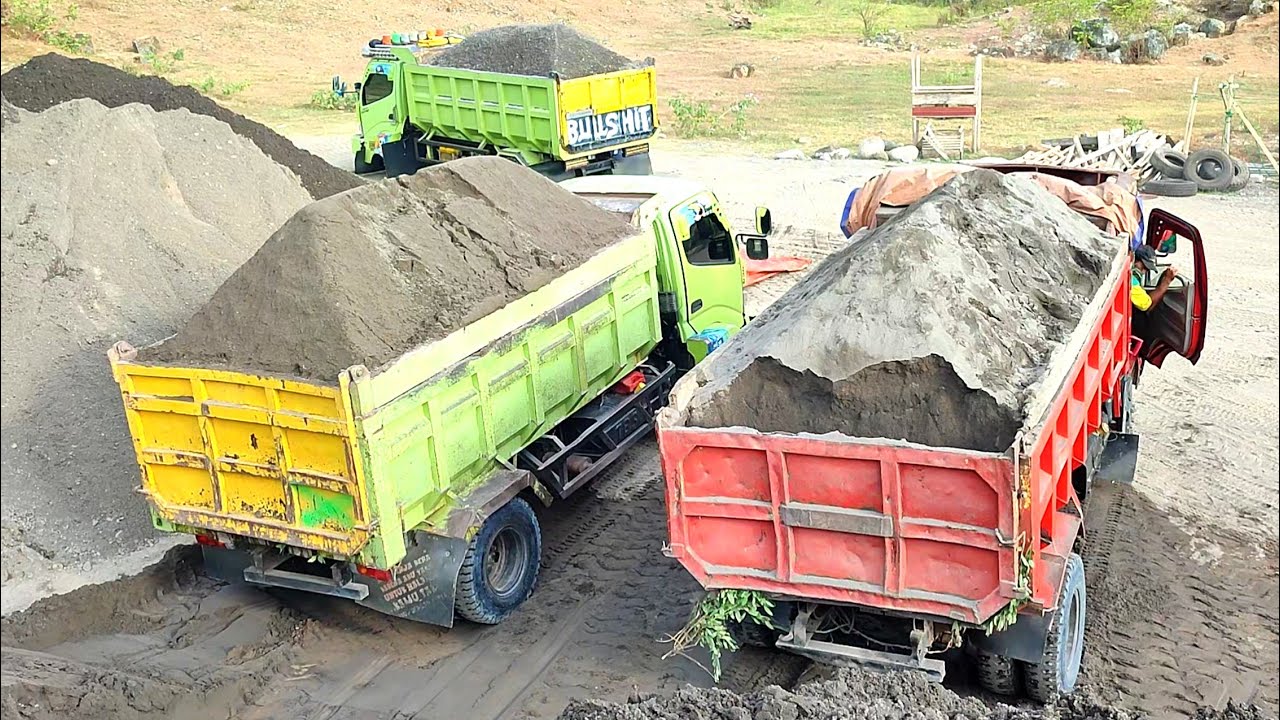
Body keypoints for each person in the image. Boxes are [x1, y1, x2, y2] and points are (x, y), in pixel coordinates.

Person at [1131, 244, 1178, 312]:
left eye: (1147, 270)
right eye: (1144, 267)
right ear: (1134, 260)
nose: (1143, 272)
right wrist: (1166, 281)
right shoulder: (1132, 282)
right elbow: (1145, 304)